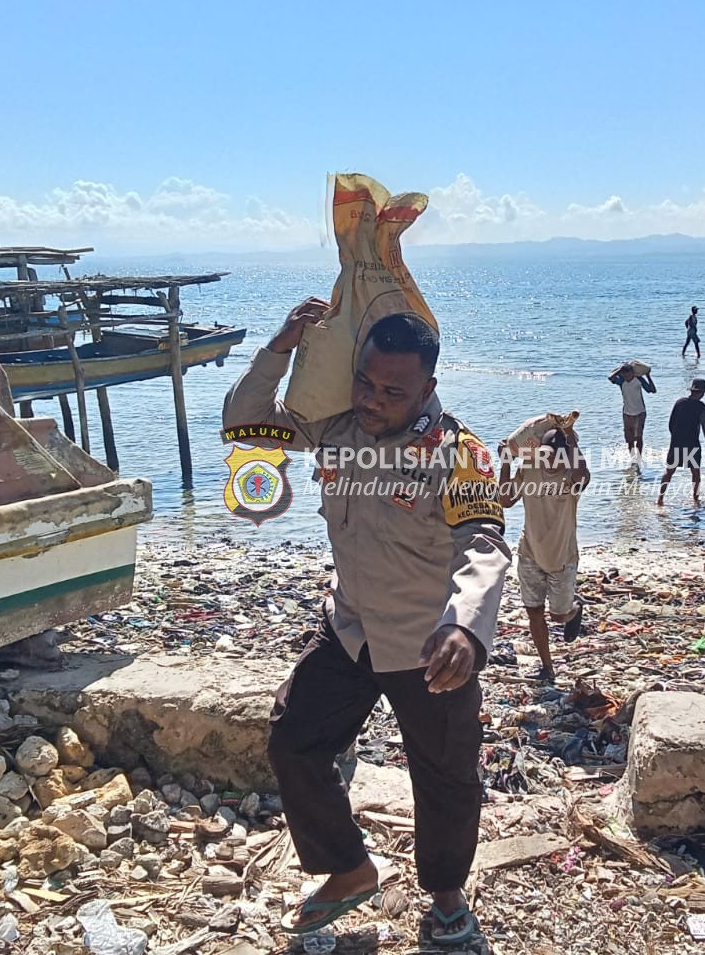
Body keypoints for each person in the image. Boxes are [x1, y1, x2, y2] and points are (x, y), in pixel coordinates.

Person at [222, 301, 509, 945]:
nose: (374, 400)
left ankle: (446, 899)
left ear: (428, 388)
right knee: (294, 740)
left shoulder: (461, 454)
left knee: (445, 779)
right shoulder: (334, 431)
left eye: (393, 391)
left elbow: (484, 540)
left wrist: (464, 626)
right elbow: (246, 426)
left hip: (428, 643)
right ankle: (350, 869)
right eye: (366, 383)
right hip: (350, 628)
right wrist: (280, 347)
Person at [499, 427, 591, 681]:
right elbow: (505, 500)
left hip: (563, 557)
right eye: (545, 453)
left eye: (555, 455)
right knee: (534, 612)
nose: (549, 459)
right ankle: (547, 667)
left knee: (558, 617)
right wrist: (506, 462)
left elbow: (584, 475)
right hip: (530, 552)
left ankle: (575, 608)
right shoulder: (529, 469)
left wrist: (573, 441)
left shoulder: (571, 478)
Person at [658, 378, 705, 505]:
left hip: (677, 442)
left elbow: (671, 424)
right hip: (692, 443)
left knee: (669, 471)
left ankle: (660, 499)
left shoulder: (679, 403)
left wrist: (675, 437)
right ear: (701, 393)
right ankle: (695, 497)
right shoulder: (701, 408)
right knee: (695, 471)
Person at [609, 363, 656, 465]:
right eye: (625, 375)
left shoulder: (638, 380)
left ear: (632, 373)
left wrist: (648, 376)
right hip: (627, 413)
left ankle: (639, 458)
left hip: (640, 412)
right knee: (629, 438)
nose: (627, 377)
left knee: (638, 436)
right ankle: (632, 458)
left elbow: (652, 390)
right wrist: (619, 370)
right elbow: (610, 378)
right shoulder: (621, 381)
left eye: (629, 375)